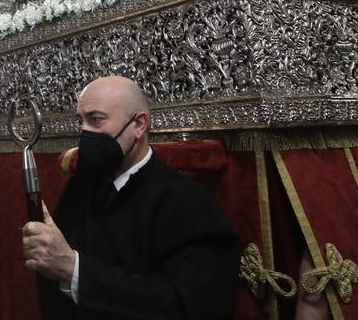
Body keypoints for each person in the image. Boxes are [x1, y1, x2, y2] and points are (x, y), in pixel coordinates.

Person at [21, 76, 239, 320]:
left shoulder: (187, 202)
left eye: (95, 120)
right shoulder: (80, 187)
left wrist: (74, 270)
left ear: (138, 124)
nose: (85, 133)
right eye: (80, 122)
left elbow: (186, 303)